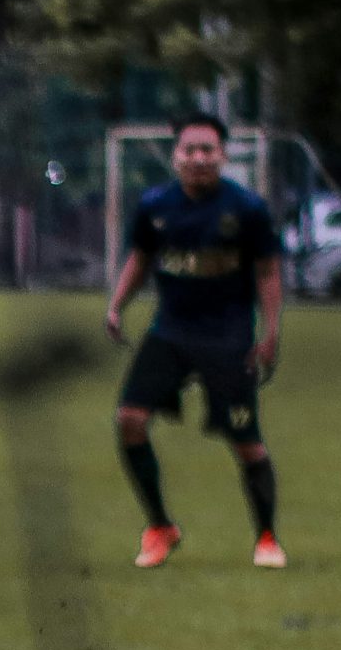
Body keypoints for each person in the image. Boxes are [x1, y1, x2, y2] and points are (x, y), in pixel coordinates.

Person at [103, 113, 286, 569]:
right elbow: (140, 259)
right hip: (171, 332)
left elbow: (267, 272)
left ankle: (266, 538)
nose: (199, 158)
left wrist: (271, 332)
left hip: (228, 339)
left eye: (208, 150)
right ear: (176, 156)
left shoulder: (246, 209)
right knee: (129, 419)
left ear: (223, 156)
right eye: (190, 150)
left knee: (247, 443)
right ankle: (160, 527)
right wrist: (116, 305)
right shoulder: (155, 205)